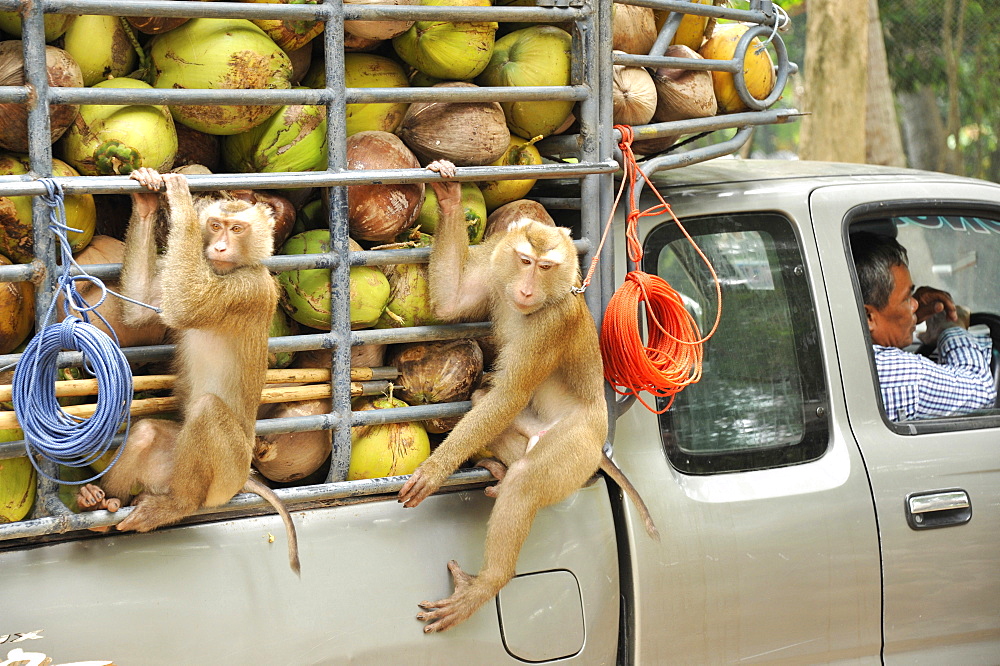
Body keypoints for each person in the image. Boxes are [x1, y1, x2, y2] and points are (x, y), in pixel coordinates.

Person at [851, 231, 996, 422]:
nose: (916, 304)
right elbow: (982, 390)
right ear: (869, 317)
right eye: (906, 299)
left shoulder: (839, 356)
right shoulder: (893, 374)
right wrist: (951, 327)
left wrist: (903, 317)